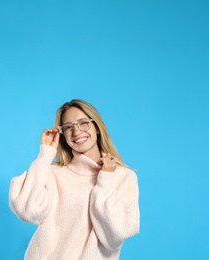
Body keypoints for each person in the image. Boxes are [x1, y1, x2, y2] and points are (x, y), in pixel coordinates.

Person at [9, 99, 140, 260]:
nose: (76, 132)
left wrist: (105, 178)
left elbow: (115, 236)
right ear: (63, 134)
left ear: (97, 128)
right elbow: (27, 210)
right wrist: (45, 154)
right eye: (68, 127)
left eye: (83, 123)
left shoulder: (123, 177)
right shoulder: (53, 173)